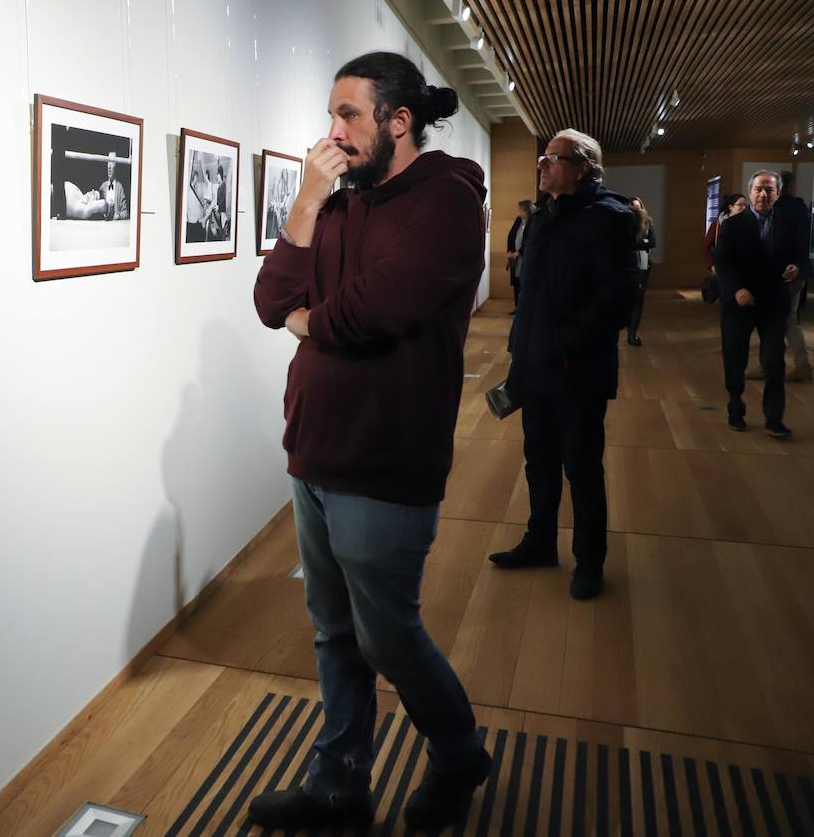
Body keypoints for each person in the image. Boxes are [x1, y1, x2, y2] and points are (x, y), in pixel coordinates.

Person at [250, 51, 490, 831]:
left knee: (389, 636)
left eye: (348, 115)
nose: (333, 133)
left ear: (399, 121)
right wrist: (306, 202)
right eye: (331, 115)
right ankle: (339, 781)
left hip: (386, 457)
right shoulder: (338, 202)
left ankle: (456, 750)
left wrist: (309, 323)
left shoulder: (447, 201)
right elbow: (269, 298)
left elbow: (374, 309)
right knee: (333, 632)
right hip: (313, 449)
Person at [488, 129, 634, 600]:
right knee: (540, 461)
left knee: (582, 467)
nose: (542, 164)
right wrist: (521, 354)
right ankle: (540, 543)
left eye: (553, 157)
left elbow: (615, 298)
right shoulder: (545, 215)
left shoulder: (609, 218)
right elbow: (530, 296)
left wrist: (562, 345)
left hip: (578, 369)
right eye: (542, 157)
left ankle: (590, 561)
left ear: (583, 166)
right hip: (537, 365)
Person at [714, 170, 804, 438]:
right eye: (758, 189)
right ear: (750, 192)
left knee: (774, 362)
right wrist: (736, 290)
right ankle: (735, 407)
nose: (764, 194)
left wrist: (796, 268)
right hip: (739, 303)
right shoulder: (732, 225)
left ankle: (774, 418)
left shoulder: (789, 224)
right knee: (735, 360)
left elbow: (801, 256)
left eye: (770, 190)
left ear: (777, 194)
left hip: (774, 303)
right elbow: (723, 264)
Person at [776, 171, 813, 381]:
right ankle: (801, 365)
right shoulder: (800, 207)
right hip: (798, 269)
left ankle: (798, 365)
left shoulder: (779, 209)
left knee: (780, 320)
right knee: (788, 319)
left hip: (784, 272)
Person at [625, 196, 656, 345]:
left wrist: (639, 243)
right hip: (627, 265)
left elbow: (653, 242)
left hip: (643, 265)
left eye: (638, 207)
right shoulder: (624, 223)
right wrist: (641, 243)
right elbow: (626, 244)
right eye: (633, 207)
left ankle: (632, 334)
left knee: (638, 299)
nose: (636, 210)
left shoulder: (647, 222)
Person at [506, 200, 532, 315]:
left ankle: (525, 309)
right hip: (515, 258)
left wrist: (520, 251)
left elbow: (530, 240)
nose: (519, 212)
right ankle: (517, 307)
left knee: (525, 282)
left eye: (520, 209)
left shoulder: (532, 221)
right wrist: (510, 251)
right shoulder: (518, 220)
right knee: (516, 283)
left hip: (525, 257)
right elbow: (511, 235)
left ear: (526, 210)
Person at [97, 153, 128, 220]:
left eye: (112, 162)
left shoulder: (120, 188)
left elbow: (125, 213)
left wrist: (118, 216)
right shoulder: (102, 187)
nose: (109, 167)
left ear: (116, 165)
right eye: (108, 162)